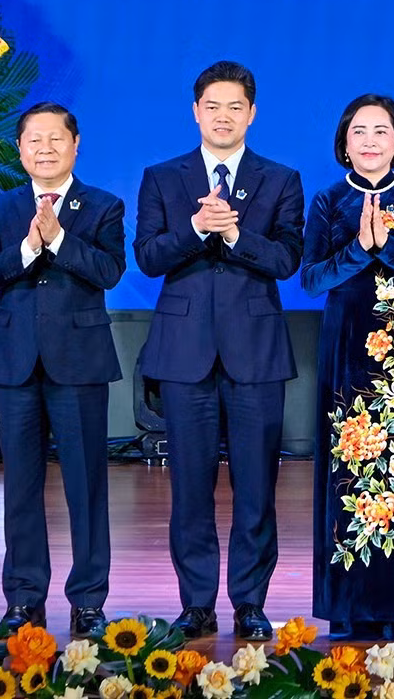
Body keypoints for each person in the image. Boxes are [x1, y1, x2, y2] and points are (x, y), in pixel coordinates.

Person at [135, 60, 304, 641]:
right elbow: (150, 257)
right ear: (195, 112)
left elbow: (286, 260)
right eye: (213, 106)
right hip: (184, 355)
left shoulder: (281, 179)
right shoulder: (163, 177)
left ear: (252, 114)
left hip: (255, 354)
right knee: (190, 487)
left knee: (256, 487)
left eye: (235, 107)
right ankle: (196, 603)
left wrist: (233, 235)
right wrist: (194, 229)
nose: (223, 116)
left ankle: (250, 602)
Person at [0, 102, 127, 639]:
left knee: (87, 486)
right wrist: (28, 246)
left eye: (54, 139)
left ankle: (88, 600)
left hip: (79, 365)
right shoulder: (1, 206)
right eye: (33, 140)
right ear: (20, 150)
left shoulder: (103, 205)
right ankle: (24, 597)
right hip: (15, 363)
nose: (44, 149)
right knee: (20, 487)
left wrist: (59, 240)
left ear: (75, 144)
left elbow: (109, 270)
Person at [302, 94, 394, 640]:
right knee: (350, 472)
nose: (368, 141)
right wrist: (361, 249)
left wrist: (391, 249)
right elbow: (311, 279)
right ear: (344, 141)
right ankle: (351, 608)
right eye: (358, 131)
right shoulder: (327, 201)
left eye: (379, 131)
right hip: (346, 348)